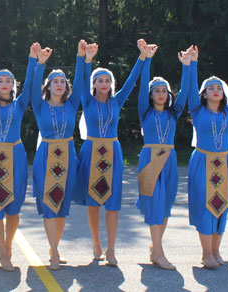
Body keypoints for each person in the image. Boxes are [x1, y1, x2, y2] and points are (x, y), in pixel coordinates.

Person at [74, 39, 146, 266]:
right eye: (100, 80)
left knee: (113, 202)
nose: (104, 83)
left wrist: (142, 57)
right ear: (94, 84)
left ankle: (112, 250)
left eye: (107, 80)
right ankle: (96, 243)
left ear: (111, 84)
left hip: (113, 152)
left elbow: (133, 80)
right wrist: (86, 60)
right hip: (91, 150)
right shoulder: (86, 99)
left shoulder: (117, 101)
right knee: (93, 201)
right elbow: (80, 80)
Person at [187, 46, 228, 269]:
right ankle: (206, 253)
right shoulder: (197, 110)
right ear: (204, 94)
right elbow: (189, 88)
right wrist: (193, 63)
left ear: (223, 93)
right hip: (203, 162)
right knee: (206, 206)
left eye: (219, 87)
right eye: (210, 88)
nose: (215, 90)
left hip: (226, 163)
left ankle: (216, 251)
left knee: (222, 205)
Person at [0, 40, 38, 271]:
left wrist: (33, 59)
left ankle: (8, 245)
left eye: (8, 80)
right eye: (0, 80)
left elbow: (31, 83)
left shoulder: (20, 105)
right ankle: (2, 252)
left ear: (13, 85)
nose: (4, 83)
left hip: (16, 156)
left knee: (13, 208)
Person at [135, 44, 192, 270]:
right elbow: (141, 86)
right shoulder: (145, 111)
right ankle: (159, 253)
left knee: (166, 205)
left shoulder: (173, 113)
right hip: (149, 158)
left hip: (169, 160)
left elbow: (186, 93)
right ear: (151, 95)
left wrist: (186, 67)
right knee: (155, 204)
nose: (160, 94)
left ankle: (154, 248)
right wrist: (147, 59)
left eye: (164, 91)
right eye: (156, 91)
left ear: (168, 95)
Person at [31, 40, 86, 270]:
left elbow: (82, 82)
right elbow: (32, 87)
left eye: (63, 81)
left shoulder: (72, 105)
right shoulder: (39, 105)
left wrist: (81, 57)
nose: (60, 84)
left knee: (62, 206)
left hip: (67, 156)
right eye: (55, 81)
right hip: (45, 155)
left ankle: (55, 247)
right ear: (48, 86)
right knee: (48, 204)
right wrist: (40, 64)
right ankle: (53, 252)